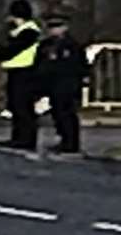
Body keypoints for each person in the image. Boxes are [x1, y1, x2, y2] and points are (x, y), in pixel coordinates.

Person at [0, 0, 43, 151]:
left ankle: (26, 139)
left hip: (26, 72)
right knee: (16, 106)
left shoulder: (29, 32)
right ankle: (18, 137)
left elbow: (13, 49)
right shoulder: (19, 31)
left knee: (23, 107)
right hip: (17, 71)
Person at [36, 13, 89, 155]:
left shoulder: (72, 45)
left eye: (58, 27)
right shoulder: (46, 45)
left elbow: (80, 66)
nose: (54, 30)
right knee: (57, 114)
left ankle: (71, 143)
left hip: (68, 84)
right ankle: (63, 139)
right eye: (51, 27)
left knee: (68, 113)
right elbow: (40, 64)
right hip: (52, 84)